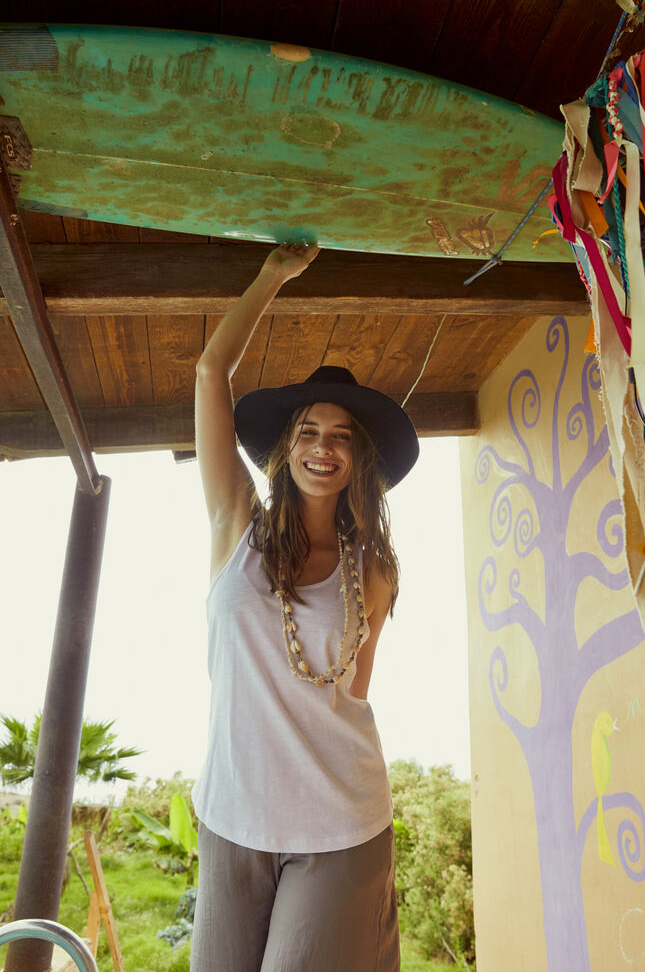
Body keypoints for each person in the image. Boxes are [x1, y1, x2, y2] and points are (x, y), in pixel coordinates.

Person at [190, 243, 419, 972]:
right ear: (286, 447)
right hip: (233, 815)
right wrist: (272, 277)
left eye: (342, 437)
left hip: (339, 823)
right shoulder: (235, 523)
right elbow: (210, 373)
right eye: (310, 432)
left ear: (359, 459)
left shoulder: (372, 571)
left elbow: (352, 692)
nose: (324, 448)